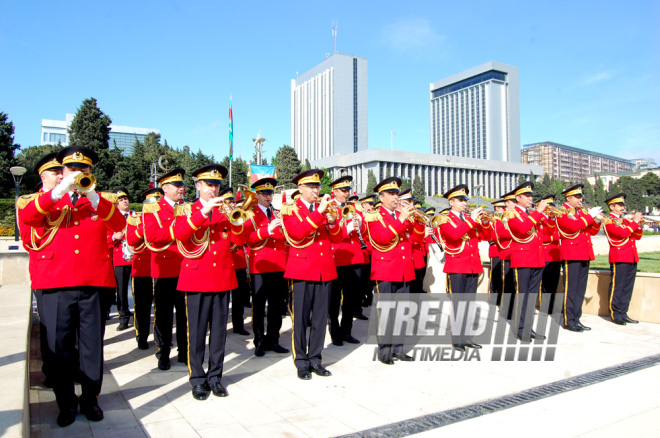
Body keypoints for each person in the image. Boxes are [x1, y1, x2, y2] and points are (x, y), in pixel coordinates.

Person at [20, 145, 126, 427]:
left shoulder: (99, 200)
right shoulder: (43, 200)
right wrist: (56, 193)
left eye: (85, 170)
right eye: (72, 169)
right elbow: (28, 219)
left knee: (92, 347)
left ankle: (91, 399)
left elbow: (118, 223)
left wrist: (92, 196)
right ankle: (65, 403)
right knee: (60, 349)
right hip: (55, 283)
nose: (79, 173)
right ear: (62, 171)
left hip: (94, 282)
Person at [174, 164, 248, 400]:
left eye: (216, 185)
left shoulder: (226, 209)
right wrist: (203, 211)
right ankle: (197, 378)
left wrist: (236, 220)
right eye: (208, 184)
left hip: (222, 278)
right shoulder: (187, 210)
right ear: (198, 186)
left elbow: (240, 240)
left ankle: (215, 377)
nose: (213, 189)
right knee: (195, 333)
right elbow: (179, 234)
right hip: (196, 278)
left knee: (218, 333)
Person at [281, 169, 344, 380]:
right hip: (302, 270)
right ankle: (301, 361)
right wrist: (320, 213)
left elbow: (338, 238)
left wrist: (333, 222)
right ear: (300, 189)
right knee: (300, 318)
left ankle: (316, 359)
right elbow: (298, 233)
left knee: (320, 318)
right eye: (311, 187)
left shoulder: (325, 208)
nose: (316, 191)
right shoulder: (290, 209)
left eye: (317, 187)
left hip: (324, 270)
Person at [365, 177, 424, 365]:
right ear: (381, 197)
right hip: (386, 269)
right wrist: (401, 219)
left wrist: (418, 221)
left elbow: (416, 239)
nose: (395, 197)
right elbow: (381, 238)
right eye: (391, 193)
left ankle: (399, 349)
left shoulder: (402, 214)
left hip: (405, 268)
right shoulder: (374, 216)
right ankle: (385, 350)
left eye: (396, 193)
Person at [17, 152, 64, 388]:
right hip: (46, 274)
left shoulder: (71, 198)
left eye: (62, 172)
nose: (61, 176)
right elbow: (29, 240)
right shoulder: (28, 202)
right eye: (56, 173)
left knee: (71, 329)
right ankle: (51, 371)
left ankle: (71, 368)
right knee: (50, 330)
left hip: (70, 274)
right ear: (44, 176)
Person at [143, 168, 188, 370]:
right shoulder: (153, 209)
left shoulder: (188, 208)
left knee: (185, 314)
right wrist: (180, 231)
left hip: (186, 268)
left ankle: (185, 351)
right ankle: (163, 351)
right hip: (165, 269)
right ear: (165, 188)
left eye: (182, 185)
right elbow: (153, 235)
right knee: (163, 315)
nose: (181, 188)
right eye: (177, 185)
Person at [244, 177, 289, 356]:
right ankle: (259, 341)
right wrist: (267, 230)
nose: (269, 197)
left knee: (276, 306)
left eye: (271, 193)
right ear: (257, 195)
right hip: (260, 266)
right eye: (264, 193)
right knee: (259, 305)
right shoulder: (250, 213)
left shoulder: (278, 212)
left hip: (279, 265)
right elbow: (249, 240)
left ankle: (274, 339)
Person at [437, 184, 485, 351]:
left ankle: (467, 337)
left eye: (465, 199)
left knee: (469, 304)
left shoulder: (468, 219)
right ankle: (457, 339)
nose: (464, 203)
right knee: (458, 304)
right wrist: (472, 219)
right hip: (457, 265)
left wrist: (483, 222)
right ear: (451, 202)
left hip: (472, 265)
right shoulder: (445, 219)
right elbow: (454, 235)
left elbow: (486, 235)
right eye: (461, 200)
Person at [502, 182, 548, 342]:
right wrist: (538, 213)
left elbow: (545, 233)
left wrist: (545, 216)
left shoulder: (531, 214)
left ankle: (529, 327)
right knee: (523, 296)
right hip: (522, 259)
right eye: (527, 196)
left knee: (532, 296)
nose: (530, 198)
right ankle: (521, 329)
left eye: (531, 196)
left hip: (537, 258)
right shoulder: (511, 213)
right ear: (518, 198)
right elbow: (521, 230)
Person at [556, 184, 602, 332]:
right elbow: (572, 227)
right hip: (571, 253)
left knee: (580, 289)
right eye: (577, 197)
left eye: (581, 196)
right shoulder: (562, 211)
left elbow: (592, 231)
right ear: (568, 198)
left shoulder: (581, 212)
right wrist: (589, 217)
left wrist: (597, 220)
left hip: (584, 253)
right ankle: (569, 320)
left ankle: (577, 318)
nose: (580, 199)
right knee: (571, 289)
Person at [328, 175, 366, 346]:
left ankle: (347, 331)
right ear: (334, 192)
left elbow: (364, 231)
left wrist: (360, 223)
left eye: (348, 190)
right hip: (337, 257)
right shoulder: (329, 209)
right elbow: (329, 234)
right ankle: (335, 332)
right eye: (343, 190)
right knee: (334, 300)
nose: (346, 193)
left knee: (351, 298)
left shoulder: (354, 208)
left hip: (355, 257)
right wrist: (347, 229)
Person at [126, 188, 163, 349]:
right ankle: (141, 335)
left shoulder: (165, 219)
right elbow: (132, 240)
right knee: (142, 306)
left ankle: (161, 337)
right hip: (142, 269)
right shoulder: (135, 220)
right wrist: (146, 225)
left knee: (162, 307)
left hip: (161, 267)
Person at [603, 193, 643, 325]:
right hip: (619, 256)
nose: (622, 207)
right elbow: (622, 233)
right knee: (618, 286)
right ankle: (615, 313)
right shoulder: (609, 220)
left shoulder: (625, 221)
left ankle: (623, 312)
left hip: (631, 256)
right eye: (619, 205)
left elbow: (637, 237)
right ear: (612, 207)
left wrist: (639, 224)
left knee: (627, 287)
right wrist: (635, 222)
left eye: (622, 205)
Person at [219, 187, 251, 336]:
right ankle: (220, 326)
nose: (232, 204)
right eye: (229, 201)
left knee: (238, 297)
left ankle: (238, 325)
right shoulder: (219, 215)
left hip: (238, 261)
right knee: (223, 299)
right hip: (224, 260)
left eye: (232, 201)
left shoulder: (237, 216)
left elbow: (244, 236)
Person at [107, 187, 135, 331]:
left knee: (139, 290)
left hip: (137, 258)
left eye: (126, 199)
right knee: (122, 290)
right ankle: (123, 316)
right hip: (120, 257)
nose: (124, 201)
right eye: (121, 200)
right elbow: (103, 237)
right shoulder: (111, 217)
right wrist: (113, 237)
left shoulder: (135, 215)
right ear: (116, 204)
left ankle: (138, 315)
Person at [397, 189, 427, 293]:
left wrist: (420, 223)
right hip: (404, 259)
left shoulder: (413, 217)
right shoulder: (397, 217)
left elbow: (418, 239)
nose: (411, 204)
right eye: (408, 201)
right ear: (400, 202)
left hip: (416, 259)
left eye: (411, 201)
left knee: (417, 291)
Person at [538, 195, 562, 314]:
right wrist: (554, 237)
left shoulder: (555, 218)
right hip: (545, 253)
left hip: (556, 254)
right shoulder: (539, 218)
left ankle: (552, 305)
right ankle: (545, 306)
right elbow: (540, 237)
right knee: (546, 283)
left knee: (554, 282)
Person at [359, 195, 376, 308]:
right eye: (369, 204)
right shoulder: (361, 216)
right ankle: (363, 298)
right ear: (363, 205)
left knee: (371, 278)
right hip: (364, 250)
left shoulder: (375, 215)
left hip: (373, 250)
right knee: (363, 277)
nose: (371, 206)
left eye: (371, 204)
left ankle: (369, 298)